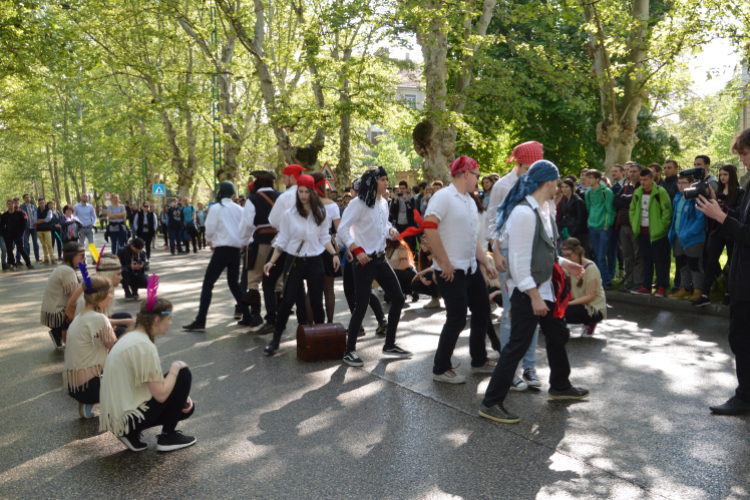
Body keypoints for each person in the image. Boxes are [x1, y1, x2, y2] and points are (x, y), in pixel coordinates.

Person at [480, 160, 589, 424]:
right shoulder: (524, 214)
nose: (561, 187)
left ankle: (560, 386)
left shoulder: (539, 210)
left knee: (557, 334)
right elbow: (518, 263)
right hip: (530, 292)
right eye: (558, 181)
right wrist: (534, 296)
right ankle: (491, 402)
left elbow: (545, 252)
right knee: (517, 345)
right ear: (548, 182)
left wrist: (566, 264)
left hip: (543, 290)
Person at [424, 156, 498, 383]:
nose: (478, 179)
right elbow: (429, 227)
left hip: (471, 268)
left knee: (483, 311)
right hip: (450, 271)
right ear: (466, 174)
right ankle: (440, 369)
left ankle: (478, 360)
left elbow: (471, 238)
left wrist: (485, 262)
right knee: (456, 318)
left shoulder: (468, 200)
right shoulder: (443, 196)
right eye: (476, 175)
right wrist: (444, 262)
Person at [695, 127, 750, 415]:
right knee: (739, 337)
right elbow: (742, 220)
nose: (741, 160)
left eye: (744, 153)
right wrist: (723, 211)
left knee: (740, 337)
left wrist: (721, 218)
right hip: (742, 277)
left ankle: (744, 397)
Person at [99, 293, 197, 452]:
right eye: (169, 319)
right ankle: (168, 437)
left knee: (184, 400)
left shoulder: (132, 335)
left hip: (117, 419)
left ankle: (130, 433)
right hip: (126, 420)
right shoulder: (145, 345)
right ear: (157, 320)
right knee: (183, 374)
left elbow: (146, 381)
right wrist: (176, 366)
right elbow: (161, 396)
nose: (171, 323)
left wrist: (178, 394)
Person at [337, 166, 412, 367]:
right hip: (364, 262)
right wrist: (356, 249)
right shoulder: (357, 204)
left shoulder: (383, 203)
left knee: (398, 298)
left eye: (387, 179)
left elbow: (383, 225)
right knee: (361, 306)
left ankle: (389, 344)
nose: (387, 183)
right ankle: (349, 351)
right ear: (372, 181)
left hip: (381, 259)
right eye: (383, 179)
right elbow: (341, 230)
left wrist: (391, 231)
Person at [486, 140, 545, 391]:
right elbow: (492, 220)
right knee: (511, 313)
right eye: (531, 166)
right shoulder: (502, 186)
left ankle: (529, 366)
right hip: (508, 253)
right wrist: (496, 251)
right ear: (520, 164)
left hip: (532, 252)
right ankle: (509, 369)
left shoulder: (537, 184)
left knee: (533, 310)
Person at [262, 175, 340, 355]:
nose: (303, 195)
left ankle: (322, 340)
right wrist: (271, 261)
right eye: (301, 191)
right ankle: (275, 340)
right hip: (294, 261)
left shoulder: (321, 212)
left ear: (313, 192)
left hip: (315, 261)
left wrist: (334, 254)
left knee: (315, 302)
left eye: (307, 191)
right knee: (287, 300)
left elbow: (325, 238)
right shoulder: (289, 215)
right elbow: (282, 240)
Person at [183, 182, 254, 331]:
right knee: (234, 284)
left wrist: (211, 241)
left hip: (221, 249)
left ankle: (200, 321)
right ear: (233, 193)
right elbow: (248, 228)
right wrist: (243, 243)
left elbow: (210, 228)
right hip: (235, 251)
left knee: (208, 284)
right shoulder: (239, 209)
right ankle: (247, 315)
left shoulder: (215, 208)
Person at [261, 164, 309, 335]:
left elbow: (273, 221)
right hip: (302, 246)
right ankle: (304, 322)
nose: (282, 180)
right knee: (298, 285)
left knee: (268, 280)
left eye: (284, 176)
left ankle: (272, 319)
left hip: (284, 244)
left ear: (292, 177)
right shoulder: (308, 196)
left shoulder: (285, 197)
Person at [338, 177, 389, 336]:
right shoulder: (367, 204)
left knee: (351, 290)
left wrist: (348, 249)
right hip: (362, 252)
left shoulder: (355, 205)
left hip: (355, 253)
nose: (350, 192)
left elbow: (345, 231)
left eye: (351, 189)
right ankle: (381, 320)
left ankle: (358, 327)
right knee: (364, 290)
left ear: (355, 190)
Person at [64, 273, 116, 419]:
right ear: (100, 296)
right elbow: (116, 348)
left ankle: (88, 403)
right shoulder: (99, 318)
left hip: (73, 387)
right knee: (130, 368)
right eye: (109, 293)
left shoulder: (80, 316)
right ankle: (118, 411)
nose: (111, 296)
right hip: (89, 388)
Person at [694, 164, 744, 307]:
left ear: (732, 175)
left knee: (731, 263)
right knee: (710, 262)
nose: (722, 177)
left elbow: (738, 213)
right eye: (720, 174)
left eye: (725, 175)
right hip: (718, 231)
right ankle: (705, 295)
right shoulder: (718, 191)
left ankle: (728, 293)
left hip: (733, 232)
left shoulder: (740, 192)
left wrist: (720, 205)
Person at [240, 170, 281, 329]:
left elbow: (247, 224)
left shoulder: (253, 199)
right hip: (279, 244)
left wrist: (243, 242)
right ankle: (278, 315)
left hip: (260, 243)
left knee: (254, 279)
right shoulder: (280, 197)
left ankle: (256, 316)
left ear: (258, 183)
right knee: (278, 281)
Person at [629, 168, 673, 297]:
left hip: (657, 234)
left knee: (659, 261)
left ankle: (661, 287)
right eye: (641, 180)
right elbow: (632, 210)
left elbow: (667, 211)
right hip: (642, 232)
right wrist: (634, 224)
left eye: (645, 179)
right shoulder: (638, 192)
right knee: (646, 260)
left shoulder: (660, 191)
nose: (642, 182)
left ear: (652, 179)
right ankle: (646, 287)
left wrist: (662, 228)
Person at [666, 172, 706, 301]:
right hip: (678, 237)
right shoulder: (678, 197)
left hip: (693, 238)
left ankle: (698, 290)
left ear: (691, 184)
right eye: (679, 183)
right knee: (682, 265)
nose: (680, 185)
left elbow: (700, 221)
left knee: (694, 265)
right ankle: (685, 289)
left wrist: (687, 234)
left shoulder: (696, 198)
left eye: (683, 183)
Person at [311, 171, 342, 323]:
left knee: (311, 290)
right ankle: (329, 323)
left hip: (310, 248)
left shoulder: (306, 203)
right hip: (327, 246)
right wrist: (345, 248)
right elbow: (340, 229)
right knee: (328, 288)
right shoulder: (332, 205)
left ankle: (309, 325)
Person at [41, 242, 84, 349]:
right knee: (88, 308)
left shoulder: (64, 268)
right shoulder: (68, 271)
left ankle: (59, 332)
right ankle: (62, 331)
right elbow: (76, 298)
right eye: (82, 255)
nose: (84, 258)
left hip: (51, 314)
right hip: (58, 314)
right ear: (72, 256)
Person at [560, 238, 607, 336]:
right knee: (552, 309)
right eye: (564, 255)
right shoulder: (568, 266)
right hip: (576, 302)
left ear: (578, 252)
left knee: (561, 312)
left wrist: (567, 303)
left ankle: (590, 322)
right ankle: (560, 328)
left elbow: (591, 297)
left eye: (569, 255)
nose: (566, 258)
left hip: (593, 307)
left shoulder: (590, 267)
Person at [613, 163, 644, 291]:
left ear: (640, 173)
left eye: (634, 171)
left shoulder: (643, 186)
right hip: (624, 226)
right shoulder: (626, 186)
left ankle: (638, 283)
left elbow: (639, 201)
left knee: (638, 256)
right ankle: (629, 282)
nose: (631, 174)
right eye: (630, 171)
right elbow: (615, 201)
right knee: (628, 256)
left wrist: (626, 200)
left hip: (636, 226)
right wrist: (628, 200)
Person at [584, 170, 615, 290]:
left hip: (603, 227)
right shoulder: (589, 192)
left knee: (601, 256)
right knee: (597, 256)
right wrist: (589, 223)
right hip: (592, 226)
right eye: (587, 178)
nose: (588, 180)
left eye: (591, 178)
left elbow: (610, 210)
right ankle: (599, 280)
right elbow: (588, 207)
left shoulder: (606, 192)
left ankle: (607, 282)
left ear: (598, 179)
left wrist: (607, 225)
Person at [1, 199, 33, 270]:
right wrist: (4, 234)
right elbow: (2, 226)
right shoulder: (5, 215)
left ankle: (28, 263)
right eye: (9, 204)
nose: (10, 205)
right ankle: (13, 264)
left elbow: (23, 224)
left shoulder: (19, 214)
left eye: (11, 204)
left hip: (17, 234)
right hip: (8, 235)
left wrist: (20, 232)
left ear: (14, 205)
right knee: (9, 250)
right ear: (7, 205)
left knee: (21, 248)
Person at [410, 234, 441, 309]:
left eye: (425, 243)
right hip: (430, 280)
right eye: (421, 243)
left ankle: (435, 298)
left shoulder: (436, 251)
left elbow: (435, 267)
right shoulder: (421, 253)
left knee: (428, 274)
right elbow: (420, 269)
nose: (423, 246)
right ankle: (436, 294)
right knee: (414, 285)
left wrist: (420, 274)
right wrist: (421, 278)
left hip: (439, 277)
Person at [558, 179, 589, 252]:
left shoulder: (578, 200)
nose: (564, 189)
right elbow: (561, 216)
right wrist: (560, 230)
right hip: (565, 230)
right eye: (562, 187)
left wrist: (572, 234)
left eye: (566, 187)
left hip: (576, 232)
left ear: (571, 188)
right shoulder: (564, 200)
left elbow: (581, 218)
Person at [390, 180, 418, 254]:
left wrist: (406, 202)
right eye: (400, 188)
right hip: (398, 225)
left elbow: (412, 211)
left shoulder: (411, 198)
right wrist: (395, 201)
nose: (401, 190)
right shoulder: (395, 198)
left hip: (408, 225)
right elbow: (392, 212)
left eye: (403, 188)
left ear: (406, 189)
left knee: (409, 244)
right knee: (399, 244)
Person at [35, 198, 56, 264]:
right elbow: (34, 221)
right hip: (39, 230)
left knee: (49, 244)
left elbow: (48, 219)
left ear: (45, 203)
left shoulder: (49, 210)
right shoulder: (36, 211)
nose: (41, 204)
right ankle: (46, 259)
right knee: (43, 245)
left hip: (47, 230)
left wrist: (40, 220)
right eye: (40, 203)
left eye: (43, 203)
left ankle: (53, 259)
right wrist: (43, 220)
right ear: (38, 203)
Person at [19, 194, 40, 262]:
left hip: (34, 227)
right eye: (26, 198)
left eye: (28, 197)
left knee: (35, 242)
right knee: (26, 243)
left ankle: (37, 257)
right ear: (24, 199)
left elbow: (36, 216)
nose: (27, 199)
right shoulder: (21, 207)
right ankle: (27, 258)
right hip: (26, 228)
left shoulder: (33, 206)